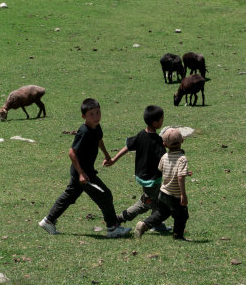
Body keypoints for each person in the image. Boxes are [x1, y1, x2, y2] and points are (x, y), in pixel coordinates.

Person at [39, 98, 132, 238]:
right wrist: (81, 174)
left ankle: (48, 220)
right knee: (105, 195)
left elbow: (99, 139)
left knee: (70, 196)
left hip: (83, 172)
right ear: (84, 116)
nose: (96, 117)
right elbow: (72, 152)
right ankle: (112, 228)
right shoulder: (84, 131)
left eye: (98, 113)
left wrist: (107, 155)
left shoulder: (96, 127)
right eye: (92, 114)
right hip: (83, 173)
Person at [109, 105, 170, 233]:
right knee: (145, 203)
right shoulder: (158, 141)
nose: (163, 121)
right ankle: (119, 218)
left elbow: (128, 146)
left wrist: (114, 159)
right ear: (155, 122)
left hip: (142, 176)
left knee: (157, 200)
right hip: (152, 179)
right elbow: (164, 160)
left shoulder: (141, 134)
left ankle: (157, 224)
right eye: (161, 119)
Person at [134, 127, 190, 240]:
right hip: (175, 194)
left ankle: (144, 225)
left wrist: (184, 173)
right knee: (182, 215)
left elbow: (161, 169)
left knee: (161, 214)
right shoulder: (182, 159)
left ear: (165, 144)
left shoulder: (164, 157)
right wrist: (183, 195)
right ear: (182, 140)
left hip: (164, 192)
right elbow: (179, 177)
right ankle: (178, 236)